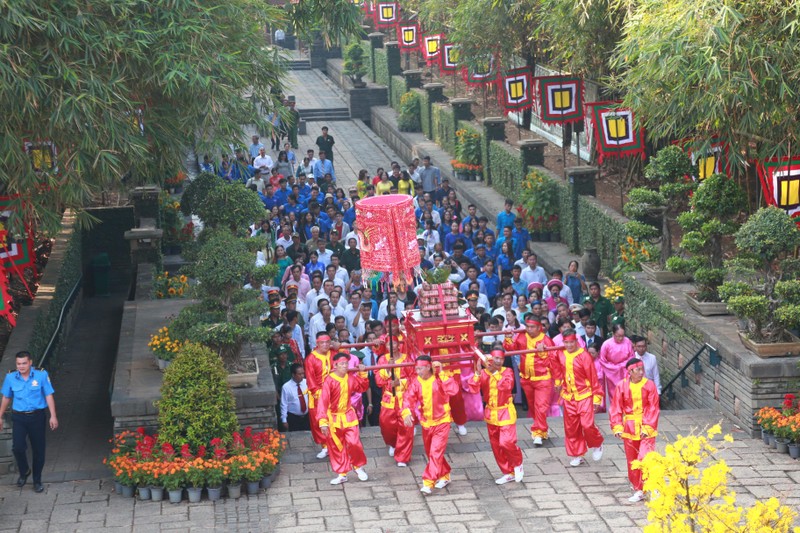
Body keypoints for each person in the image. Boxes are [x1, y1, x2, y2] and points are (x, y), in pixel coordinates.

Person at [0, 351, 59, 493]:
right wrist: (0, 416)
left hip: (37, 417)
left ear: (30, 362)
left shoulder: (41, 375)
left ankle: (37, 480)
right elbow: (6, 397)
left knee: (38, 449)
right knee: (18, 447)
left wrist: (53, 416)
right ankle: (24, 470)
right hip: (19, 417)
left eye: (24, 363)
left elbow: (48, 395)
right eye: (18, 364)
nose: (21, 366)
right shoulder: (10, 377)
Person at [401, 356, 459, 494]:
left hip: (442, 421)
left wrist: (442, 372)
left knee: (435, 452)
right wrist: (406, 412)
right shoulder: (416, 382)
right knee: (431, 452)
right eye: (416, 368)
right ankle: (444, 475)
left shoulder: (439, 379)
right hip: (426, 423)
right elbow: (408, 398)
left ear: (428, 367)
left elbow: (454, 390)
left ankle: (428, 482)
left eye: (420, 368)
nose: (418, 371)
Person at [466, 349, 524, 485]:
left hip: (505, 412)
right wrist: (477, 372)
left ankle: (517, 463)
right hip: (491, 413)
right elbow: (473, 388)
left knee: (507, 442)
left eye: (500, 359)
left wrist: (495, 373)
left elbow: (507, 386)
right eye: (495, 358)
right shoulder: (484, 373)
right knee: (496, 446)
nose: (498, 361)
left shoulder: (507, 371)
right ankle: (508, 472)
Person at [609, 358, 660, 503]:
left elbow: (653, 407)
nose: (641, 372)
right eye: (638, 370)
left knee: (645, 457)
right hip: (629, 427)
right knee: (632, 461)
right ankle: (639, 489)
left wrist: (648, 426)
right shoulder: (621, 386)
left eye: (642, 369)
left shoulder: (649, 385)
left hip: (646, 426)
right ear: (630, 371)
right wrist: (617, 426)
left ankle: (654, 486)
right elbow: (616, 408)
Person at [553, 329, 604, 467]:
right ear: (563, 342)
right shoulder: (560, 353)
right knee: (571, 428)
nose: (569, 345)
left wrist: (597, 398)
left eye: (571, 342)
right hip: (569, 397)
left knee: (587, 425)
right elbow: (555, 366)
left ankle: (597, 443)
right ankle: (577, 454)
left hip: (584, 395)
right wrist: (558, 382)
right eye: (566, 342)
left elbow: (593, 378)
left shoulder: (584, 356)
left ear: (576, 341)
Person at [317, 353, 370, 485]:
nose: (345, 366)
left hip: (348, 415)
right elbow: (323, 402)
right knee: (336, 447)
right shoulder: (329, 380)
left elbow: (362, 387)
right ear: (335, 365)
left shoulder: (351, 378)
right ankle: (342, 473)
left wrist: (363, 374)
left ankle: (359, 467)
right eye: (342, 364)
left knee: (354, 443)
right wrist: (323, 421)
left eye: (346, 363)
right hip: (333, 418)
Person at [504, 316, 556, 445]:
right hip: (526, 379)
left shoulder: (546, 340)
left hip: (543, 379)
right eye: (527, 326)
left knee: (541, 406)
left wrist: (543, 353)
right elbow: (511, 348)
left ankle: (537, 432)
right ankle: (543, 429)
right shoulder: (522, 336)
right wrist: (508, 337)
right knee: (533, 407)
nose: (529, 329)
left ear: (539, 328)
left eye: (532, 327)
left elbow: (554, 361)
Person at [374, 338, 415, 467]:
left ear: (398, 344)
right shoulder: (382, 360)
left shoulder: (407, 359)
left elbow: (414, 379)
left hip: (404, 399)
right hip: (388, 398)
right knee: (386, 425)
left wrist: (400, 383)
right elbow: (379, 381)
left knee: (406, 427)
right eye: (388, 344)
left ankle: (403, 457)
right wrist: (387, 369)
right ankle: (393, 443)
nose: (391, 346)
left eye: (394, 343)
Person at [305, 332, 333, 459]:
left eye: (327, 342)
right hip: (318, 394)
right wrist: (320, 394)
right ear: (317, 344)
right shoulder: (311, 359)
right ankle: (325, 447)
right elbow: (311, 380)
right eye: (322, 342)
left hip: (334, 392)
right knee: (319, 421)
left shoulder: (333, 353)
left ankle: (335, 445)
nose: (325, 345)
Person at [598, 325, 634, 407]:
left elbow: (631, 356)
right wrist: (615, 367)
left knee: (626, 392)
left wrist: (622, 365)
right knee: (613, 394)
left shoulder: (627, 341)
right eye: (618, 336)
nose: (621, 338)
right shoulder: (606, 344)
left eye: (622, 336)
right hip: (611, 373)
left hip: (625, 371)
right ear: (613, 334)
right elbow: (602, 361)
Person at [280, 363, 310, 432]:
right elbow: (284, 404)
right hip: (294, 418)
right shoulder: (286, 387)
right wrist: (284, 420)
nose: (302, 376)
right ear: (293, 375)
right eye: (299, 374)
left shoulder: (306, 382)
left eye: (303, 373)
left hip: (306, 417)